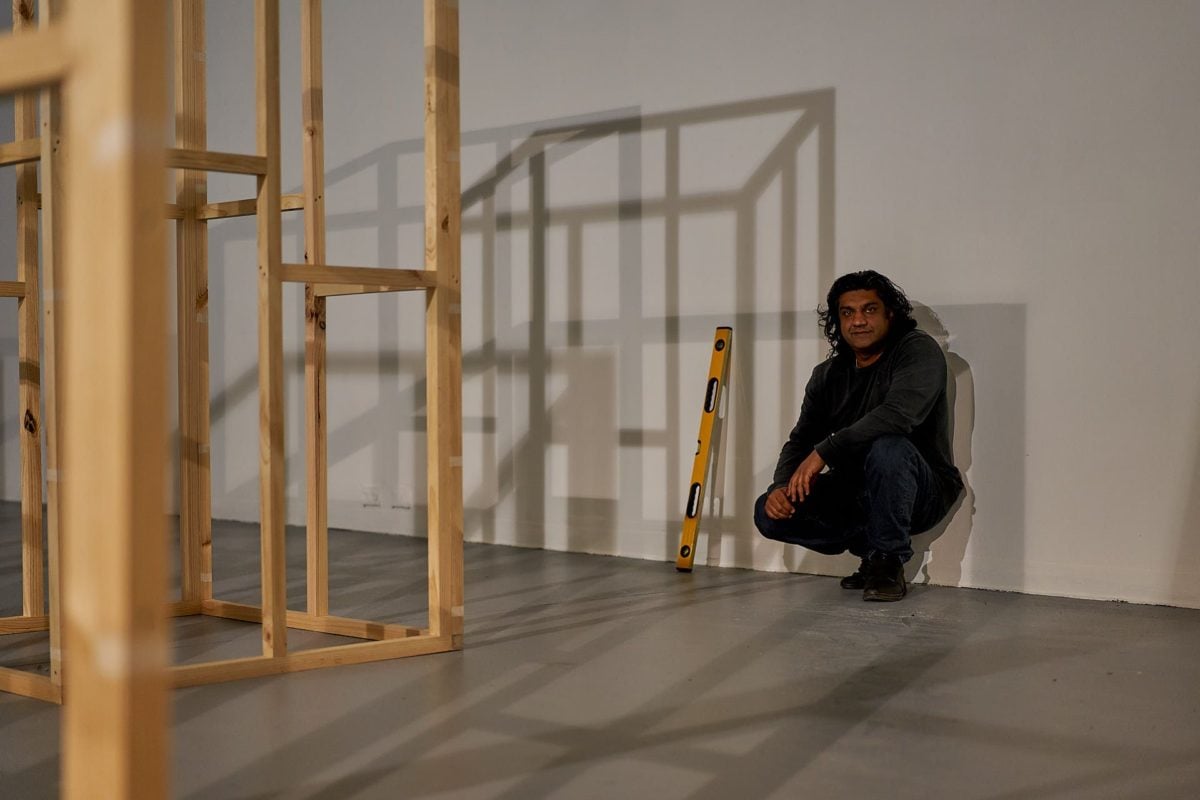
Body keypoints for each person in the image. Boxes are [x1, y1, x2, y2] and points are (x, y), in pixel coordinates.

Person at [755, 270, 963, 601]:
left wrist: (825, 451)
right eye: (847, 313)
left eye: (869, 309)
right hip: (857, 491)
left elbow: (898, 416)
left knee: (888, 447)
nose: (858, 321)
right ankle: (871, 548)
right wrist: (780, 487)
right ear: (838, 321)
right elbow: (801, 439)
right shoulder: (827, 375)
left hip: (924, 489)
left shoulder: (916, 351)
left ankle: (888, 561)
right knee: (767, 512)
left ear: (889, 315)